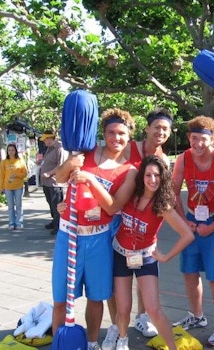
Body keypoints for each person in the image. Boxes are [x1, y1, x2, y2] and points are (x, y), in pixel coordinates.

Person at [52, 105, 138, 350]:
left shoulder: (129, 171)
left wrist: (90, 179)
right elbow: (59, 178)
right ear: (103, 133)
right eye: (111, 132)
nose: (116, 138)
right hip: (68, 234)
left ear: (129, 136)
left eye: (121, 133)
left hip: (98, 239)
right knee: (61, 299)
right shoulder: (86, 154)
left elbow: (113, 207)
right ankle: (60, 344)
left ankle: (91, 343)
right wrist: (70, 164)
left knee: (96, 297)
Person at [102, 107, 173, 349]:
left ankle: (143, 316)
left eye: (165, 129)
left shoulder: (162, 160)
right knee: (116, 280)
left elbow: (168, 195)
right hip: (116, 214)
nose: (161, 132)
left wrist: (185, 222)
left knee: (144, 265)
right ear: (147, 129)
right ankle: (116, 326)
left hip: (141, 222)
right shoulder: (129, 146)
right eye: (157, 127)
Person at [171, 115, 214, 347]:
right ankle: (197, 316)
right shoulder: (184, 158)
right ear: (188, 138)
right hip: (192, 218)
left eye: (203, 139)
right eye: (194, 138)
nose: (198, 144)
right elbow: (172, 191)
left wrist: (212, 226)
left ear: (212, 139)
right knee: (189, 271)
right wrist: (184, 221)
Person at [112, 155, 194, 350]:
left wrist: (166, 256)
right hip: (120, 254)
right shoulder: (130, 195)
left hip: (146, 256)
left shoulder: (162, 205)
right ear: (141, 177)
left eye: (157, 175)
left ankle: (172, 347)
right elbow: (107, 203)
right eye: (148, 175)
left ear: (163, 177)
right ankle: (122, 340)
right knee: (123, 308)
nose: (152, 179)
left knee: (154, 309)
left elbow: (187, 235)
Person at [38, 130, 68, 235]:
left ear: (50, 139)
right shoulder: (49, 149)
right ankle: (54, 221)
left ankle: (59, 225)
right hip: (47, 183)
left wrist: (49, 173)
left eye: (45, 140)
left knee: (57, 204)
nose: (44, 142)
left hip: (55, 182)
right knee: (51, 203)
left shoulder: (60, 148)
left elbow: (61, 165)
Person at [0, 143, 28, 230]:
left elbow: (25, 173)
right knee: (10, 206)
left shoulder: (20, 160)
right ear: (7, 152)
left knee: (18, 205)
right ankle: (11, 223)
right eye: (9, 150)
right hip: (8, 187)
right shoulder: (4, 162)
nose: (11, 152)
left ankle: (19, 222)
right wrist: (1, 187)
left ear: (15, 151)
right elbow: (1, 176)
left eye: (12, 150)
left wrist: (17, 175)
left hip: (18, 186)